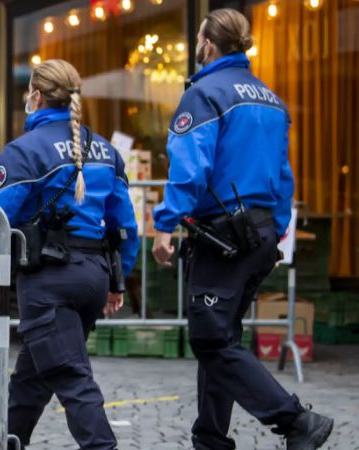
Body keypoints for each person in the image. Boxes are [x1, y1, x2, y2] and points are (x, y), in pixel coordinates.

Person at [0, 59, 139, 450]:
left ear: (37, 96)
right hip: (93, 276)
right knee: (33, 376)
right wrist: (118, 280)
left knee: (70, 375)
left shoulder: (24, 151)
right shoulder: (105, 150)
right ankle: (6, 442)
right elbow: (125, 226)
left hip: (49, 280)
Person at [151, 9, 333, 450]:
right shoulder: (270, 99)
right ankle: (210, 438)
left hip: (224, 237)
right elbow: (284, 176)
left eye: (198, 37)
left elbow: (190, 170)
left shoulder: (205, 93)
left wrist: (165, 223)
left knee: (210, 338)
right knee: (222, 336)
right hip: (261, 232)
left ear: (208, 44)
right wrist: (276, 230)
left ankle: (295, 421)